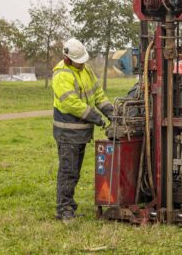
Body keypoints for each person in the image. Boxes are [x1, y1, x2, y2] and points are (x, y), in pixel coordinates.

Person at [52, 38, 114, 223]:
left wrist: (110, 111)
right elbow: (71, 103)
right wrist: (95, 117)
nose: (82, 64)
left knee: (75, 172)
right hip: (68, 133)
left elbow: (97, 94)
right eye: (78, 62)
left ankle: (68, 205)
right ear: (67, 59)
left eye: (83, 61)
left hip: (80, 133)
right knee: (68, 171)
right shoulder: (62, 74)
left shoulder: (85, 69)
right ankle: (64, 209)